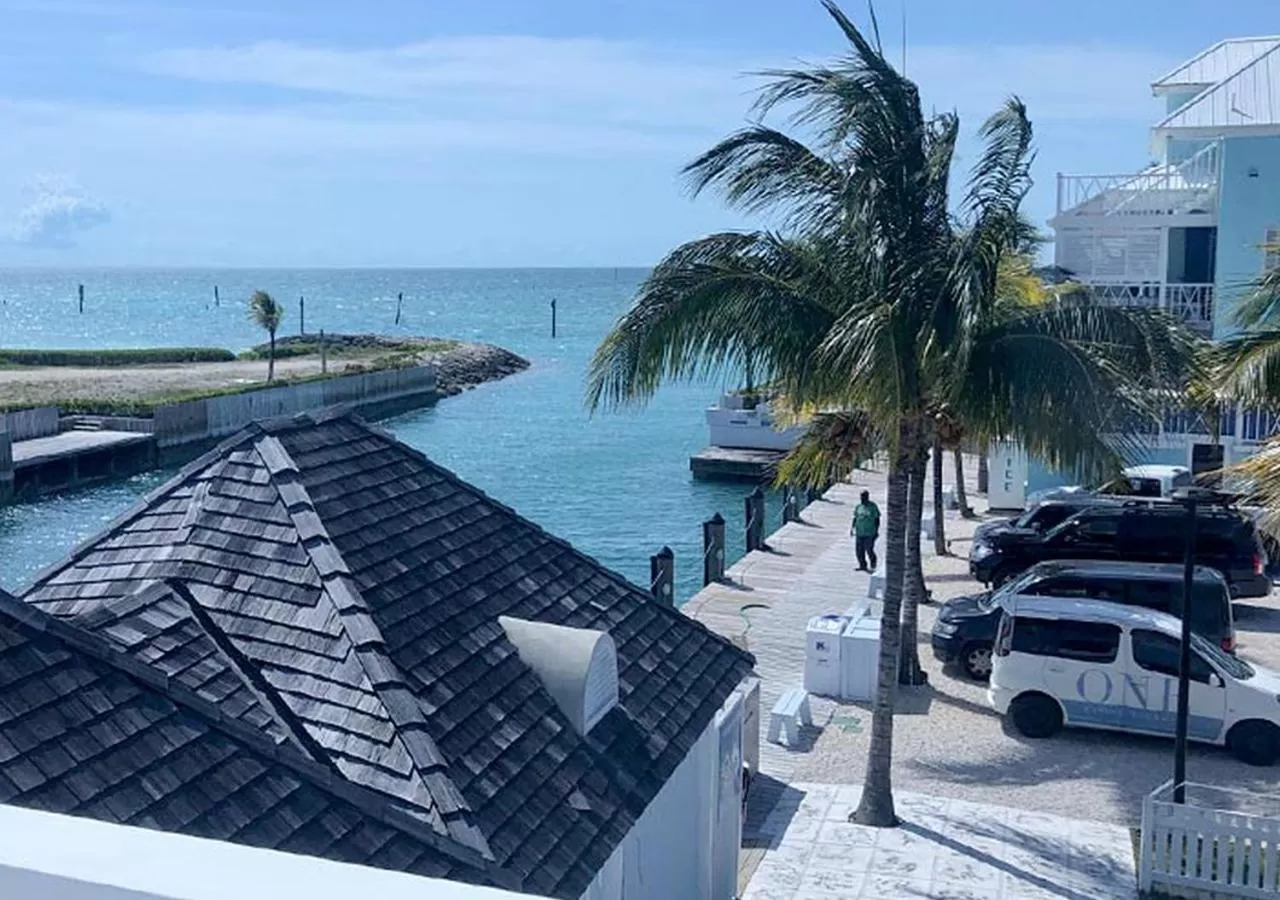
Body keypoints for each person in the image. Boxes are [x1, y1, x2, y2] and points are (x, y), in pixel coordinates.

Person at [851, 490, 881, 572]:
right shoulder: (858, 506)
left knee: (868, 548)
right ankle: (862, 565)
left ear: (867, 496)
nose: (862, 498)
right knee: (859, 550)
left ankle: (873, 560)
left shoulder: (873, 506)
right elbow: (855, 517)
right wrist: (852, 528)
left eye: (864, 496)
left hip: (870, 532)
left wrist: (876, 531)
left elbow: (877, 519)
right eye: (861, 496)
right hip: (859, 532)